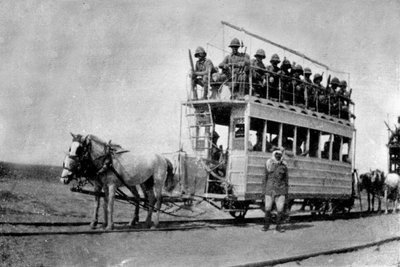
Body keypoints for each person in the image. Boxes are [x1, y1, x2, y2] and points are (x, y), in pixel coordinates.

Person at [263, 148, 289, 232]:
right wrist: (264, 190)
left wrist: (286, 192)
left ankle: (278, 227)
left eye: (280, 154)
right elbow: (265, 177)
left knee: (280, 209)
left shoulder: (284, 165)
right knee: (267, 208)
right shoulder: (268, 164)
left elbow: (286, 179)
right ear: (274, 154)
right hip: (269, 189)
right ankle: (266, 226)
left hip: (281, 189)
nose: (278, 156)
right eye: (277, 154)